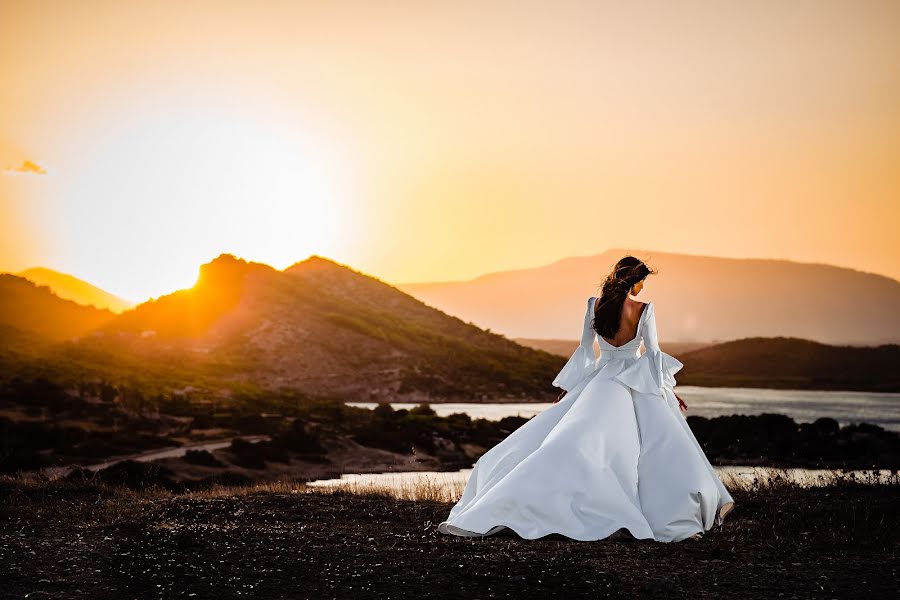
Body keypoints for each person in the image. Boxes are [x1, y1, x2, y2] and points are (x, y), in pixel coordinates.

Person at [437, 256, 734, 542]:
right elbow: (653, 354)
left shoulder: (595, 306)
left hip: (599, 380)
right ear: (636, 281)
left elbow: (584, 349)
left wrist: (570, 388)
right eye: (642, 281)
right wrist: (667, 389)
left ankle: (530, 500)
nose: (643, 287)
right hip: (631, 379)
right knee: (651, 448)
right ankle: (651, 508)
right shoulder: (643, 309)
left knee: (570, 440)